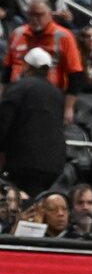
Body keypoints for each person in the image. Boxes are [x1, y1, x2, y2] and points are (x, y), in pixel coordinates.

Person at [0, 48, 68, 196]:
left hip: (25, 160)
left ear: (27, 66)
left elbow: (4, 122)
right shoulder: (57, 93)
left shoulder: (19, 87)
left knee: (22, 201)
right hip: (54, 163)